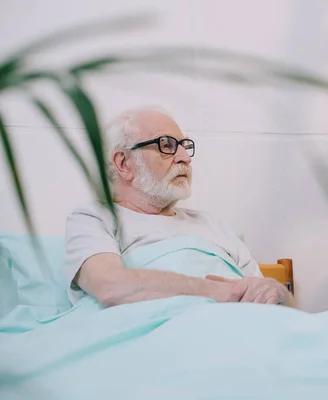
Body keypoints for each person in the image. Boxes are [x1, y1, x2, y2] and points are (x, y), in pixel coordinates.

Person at [64, 107, 296, 307]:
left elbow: (276, 306)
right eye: (166, 145)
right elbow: (110, 286)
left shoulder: (213, 225)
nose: (185, 157)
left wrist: (280, 294)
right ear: (124, 163)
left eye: (185, 145)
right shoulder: (94, 218)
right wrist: (225, 293)